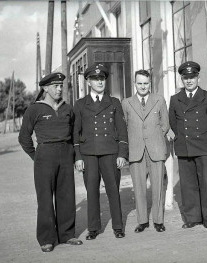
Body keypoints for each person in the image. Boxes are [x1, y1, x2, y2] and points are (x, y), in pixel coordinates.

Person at [18, 72, 82, 252]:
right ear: (45, 88)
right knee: (45, 198)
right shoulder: (34, 109)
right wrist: (36, 156)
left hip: (65, 154)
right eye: (56, 86)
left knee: (67, 196)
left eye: (61, 85)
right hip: (44, 155)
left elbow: (74, 135)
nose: (59, 89)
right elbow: (24, 138)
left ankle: (67, 234)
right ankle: (46, 238)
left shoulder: (67, 108)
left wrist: (74, 156)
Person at [73, 63, 128, 240]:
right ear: (88, 82)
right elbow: (75, 133)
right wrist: (78, 157)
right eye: (95, 79)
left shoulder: (114, 102)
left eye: (102, 78)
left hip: (110, 152)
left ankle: (118, 226)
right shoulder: (81, 104)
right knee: (92, 191)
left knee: (113, 190)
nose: (99, 81)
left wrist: (122, 154)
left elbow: (122, 130)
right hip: (89, 154)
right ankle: (93, 228)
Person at [169, 61, 207, 231]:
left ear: (198, 77)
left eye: (192, 77)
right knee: (188, 185)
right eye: (185, 78)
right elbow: (173, 123)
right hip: (185, 147)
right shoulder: (175, 99)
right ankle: (193, 217)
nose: (189, 81)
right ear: (181, 79)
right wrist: (182, 139)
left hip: (204, 146)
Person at [121, 70, 169, 233]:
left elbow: (165, 125)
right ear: (135, 83)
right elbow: (124, 127)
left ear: (150, 83)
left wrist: (155, 138)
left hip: (155, 149)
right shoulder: (126, 103)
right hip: (136, 150)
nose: (142, 86)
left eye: (146, 83)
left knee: (158, 187)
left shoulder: (159, 100)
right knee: (139, 188)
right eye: (139, 83)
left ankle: (158, 221)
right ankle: (142, 221)